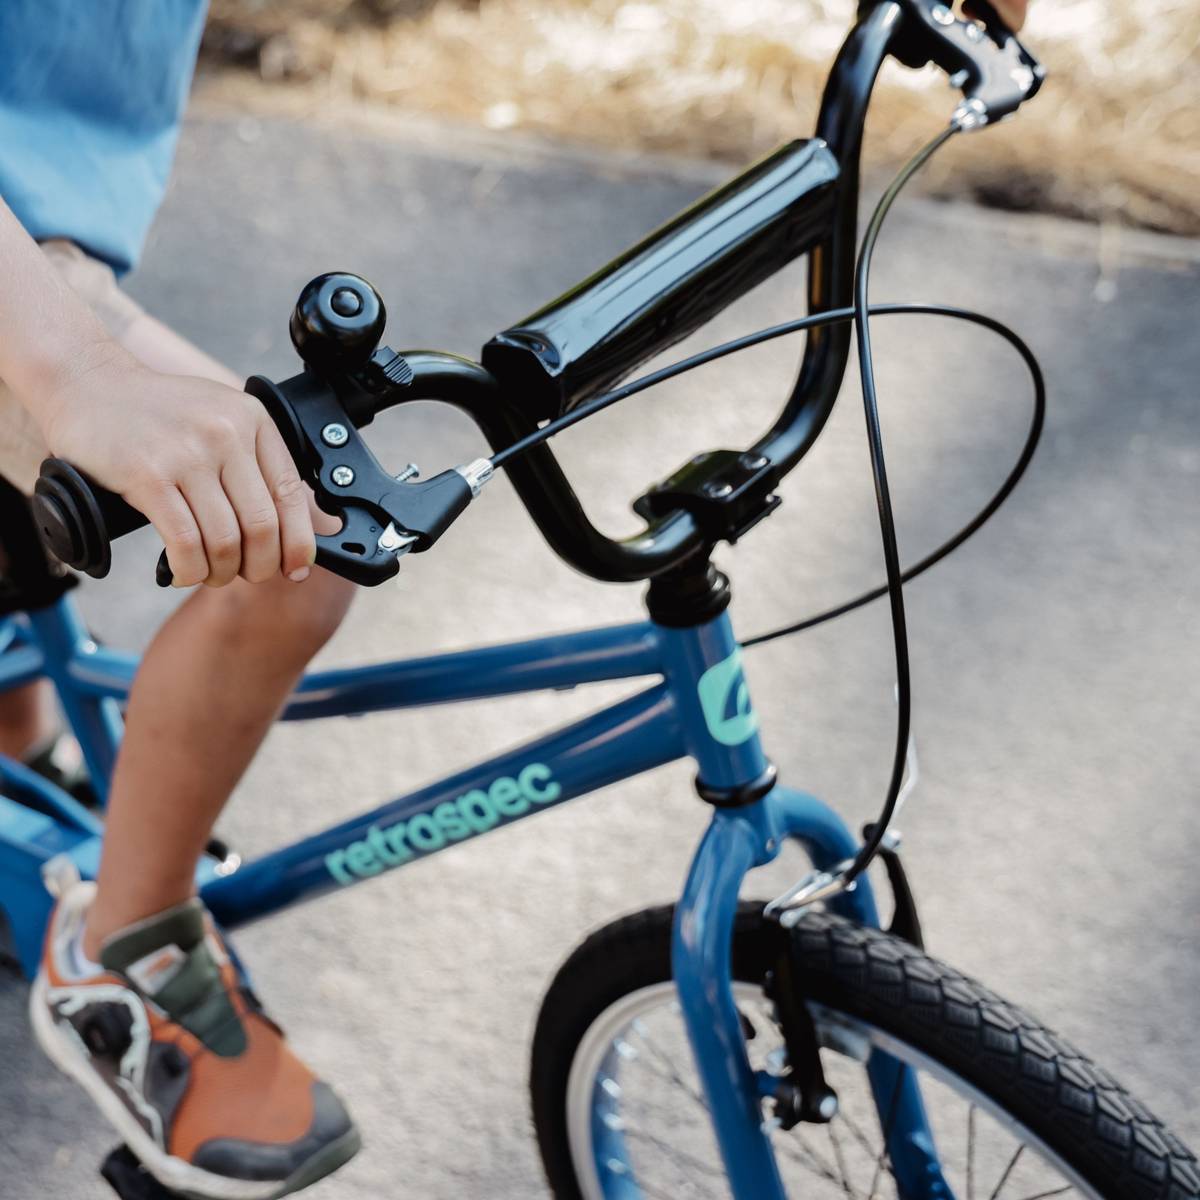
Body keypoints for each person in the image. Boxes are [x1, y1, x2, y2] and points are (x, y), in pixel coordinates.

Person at [0, 1, 1029, 1196]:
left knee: (241, 534)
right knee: (298, 554)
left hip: (41, 246)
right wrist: (71, 372)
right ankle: (122, 949)